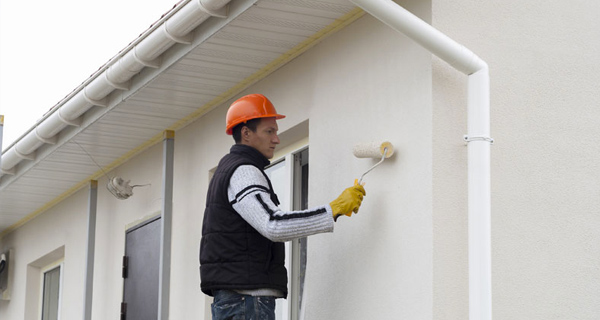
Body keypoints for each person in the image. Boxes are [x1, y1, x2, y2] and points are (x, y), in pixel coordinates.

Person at [199, 93, 366, 320]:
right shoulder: (243, 171)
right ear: (246, 133)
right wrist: (333, 209)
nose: (276, 139)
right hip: (247, 302)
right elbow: (273, 225)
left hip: (239, 301)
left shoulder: (230, 169)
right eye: (269, 131)